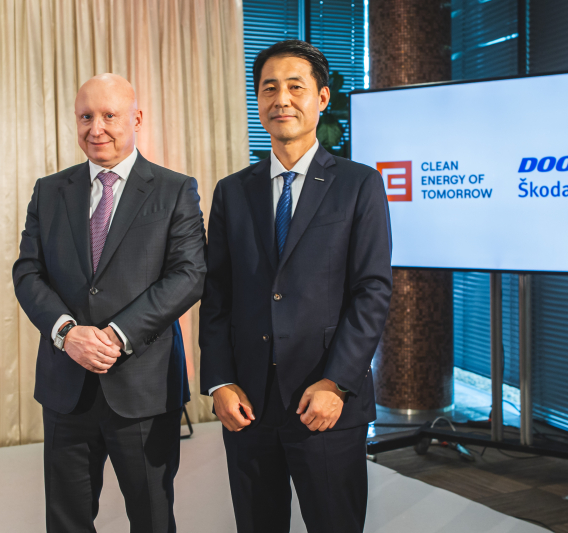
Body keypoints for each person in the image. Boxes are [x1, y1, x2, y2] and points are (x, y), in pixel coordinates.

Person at [200, 40, 393, 533]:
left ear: (322, 97)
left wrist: (337, 382)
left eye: (295, 87)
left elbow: (372, 291)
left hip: (324, 401)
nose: (281, 99)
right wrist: (220, 381)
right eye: (269, 88)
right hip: (248, 404)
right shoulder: (231, 191)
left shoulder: (359, 184)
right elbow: (217, 295)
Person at [12, 73, 206, 533]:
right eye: (85, 117)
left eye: (108, 116)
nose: (95, 128)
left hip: (144, 386)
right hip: (66, 386)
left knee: (152, 517)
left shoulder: (174, 189)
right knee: (66, 519)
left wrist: (116, 336)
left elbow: (189, 275)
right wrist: (66, 333)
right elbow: (27, 272)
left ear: (136, 119)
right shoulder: (49, 190)